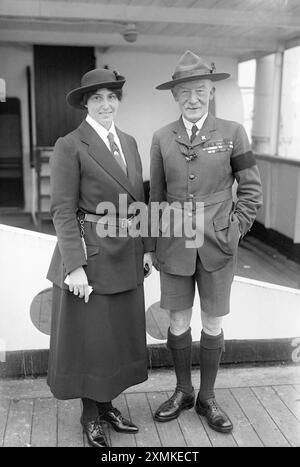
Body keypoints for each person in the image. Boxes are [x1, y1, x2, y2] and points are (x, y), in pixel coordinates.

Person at [149, 50, 263, 433]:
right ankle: (183, 391)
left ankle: (207, 397)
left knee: (212, 322)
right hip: (174, 244)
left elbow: (250, 191)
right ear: (175, 96)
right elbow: (156, 198)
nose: (193, 98)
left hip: (218, 243)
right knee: (178, 320)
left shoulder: (233, 133)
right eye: (184, 92)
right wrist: (151, 244)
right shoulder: (162, 137)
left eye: (200, 90)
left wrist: (235, 229)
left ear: (211, 92)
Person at [46, 67, 153, 447]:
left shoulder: (129, 141)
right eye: (97, 98)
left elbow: (140, 201)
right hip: (90, 255)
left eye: (111, 97)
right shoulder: (70, 144)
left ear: (118, 101)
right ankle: (90, 415)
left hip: (127, 252)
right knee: (91, 339)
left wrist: (146, 248)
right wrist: (74, 265)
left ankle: (106, 405)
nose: (106, 104)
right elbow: (61, 209)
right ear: (86, 104)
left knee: (116, 337)